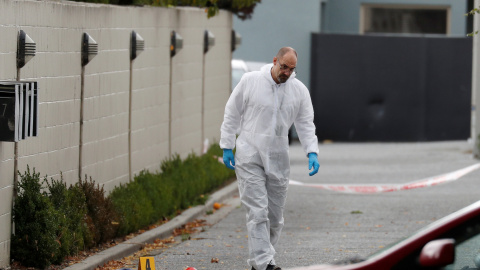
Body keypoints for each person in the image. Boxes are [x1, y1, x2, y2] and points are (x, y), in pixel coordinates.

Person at [220, 47, 320, 270]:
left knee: (275, 218)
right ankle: (264, 263)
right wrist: (227, 145)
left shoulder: (298, 91)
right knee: (257, 211)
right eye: (283, 67)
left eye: (291, 69)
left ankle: (261, 260)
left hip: (278, 156)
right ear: (275, 61)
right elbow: (232, 112)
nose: (286, 73)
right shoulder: (251, 81)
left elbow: (305, 123)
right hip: (249, 153)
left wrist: (311, 151)